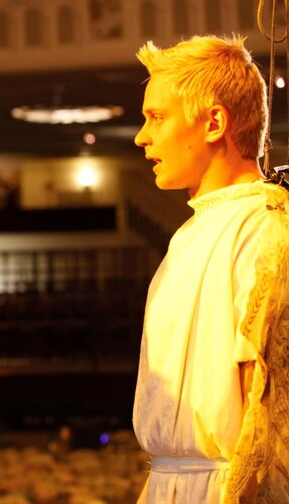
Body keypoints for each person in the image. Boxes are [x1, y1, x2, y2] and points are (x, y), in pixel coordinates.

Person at [131, 35, 289, 503]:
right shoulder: (188, 234)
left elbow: (271, 414)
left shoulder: (266, 231)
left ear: (214, 122)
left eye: (156, 117)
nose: (142, 135)